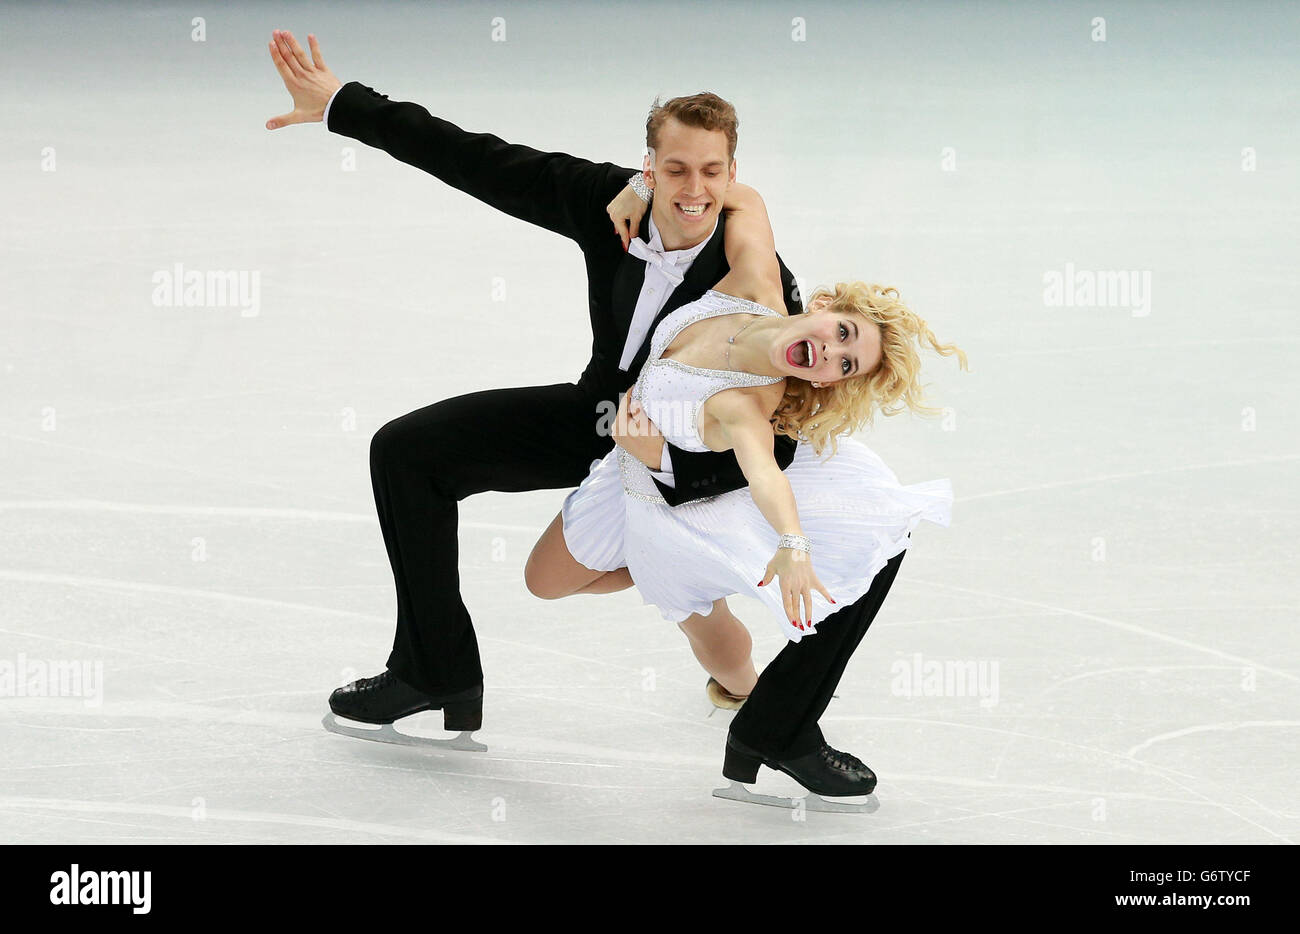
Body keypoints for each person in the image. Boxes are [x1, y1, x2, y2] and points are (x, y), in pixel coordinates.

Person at [264, 28, 948, 801]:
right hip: (604, 415)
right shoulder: (609, 202)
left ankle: (777, 724)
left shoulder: (770, 296)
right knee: (406, 453)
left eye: (712, 173)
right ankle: (433, 669)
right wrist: (343, 108)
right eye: (675, 169)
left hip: (701, 457)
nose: (694, 191)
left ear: (731, 175)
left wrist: (673, 474)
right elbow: (481, 161)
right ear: (647, 166)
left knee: (879, 535)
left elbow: (765, 442)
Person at [524, 188, 963, 796]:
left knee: (725, 660)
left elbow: (765, 474)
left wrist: (792, 543)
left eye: (844, 365)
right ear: (825, 304)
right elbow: (745, 198)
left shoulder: (750, 401)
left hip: (680, 519)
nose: (829, 353)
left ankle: (743, 687)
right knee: (541, 583)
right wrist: (644, 185)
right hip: (624, 483)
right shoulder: (754, 281)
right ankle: (668, 573)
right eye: (841, 334)